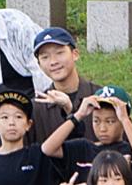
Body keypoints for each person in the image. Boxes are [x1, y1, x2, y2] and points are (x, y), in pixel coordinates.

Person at [43, 85, 132, 185]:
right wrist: (78, 115)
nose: (102, 128)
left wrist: (125, 120)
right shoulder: (83, 149)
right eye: (96, 121)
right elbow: (48, 149)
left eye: (110, 121)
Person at [26, 26, 103, 162]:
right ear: (39, 64)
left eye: (60, 53)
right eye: (45, 57)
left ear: (75, 54)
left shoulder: (101, 96)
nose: (53, 61)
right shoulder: (36, 108)